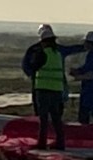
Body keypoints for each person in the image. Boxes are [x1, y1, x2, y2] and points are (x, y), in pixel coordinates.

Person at [23, 23, 70, 151]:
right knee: (56, 118)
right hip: (56, 89)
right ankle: (60, 143)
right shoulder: (58, 54)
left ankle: (42, 143)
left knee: (43, 118)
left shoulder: (42, 53)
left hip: (43, 89)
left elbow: (33, 66)